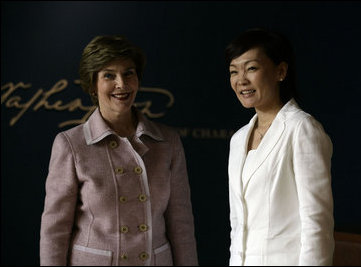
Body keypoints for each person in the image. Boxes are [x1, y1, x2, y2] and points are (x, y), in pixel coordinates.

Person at [40, 35, 198, 266]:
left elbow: (181, 224)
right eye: (108, 76)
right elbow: (55, 230)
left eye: (128, 73)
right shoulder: (70, 144)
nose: (121, 84)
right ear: (93, 84)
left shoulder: (167, 141)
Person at [225, 28, 334, 266]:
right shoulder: (238, 139)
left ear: (280, 71)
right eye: (234, 71)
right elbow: (238, 224)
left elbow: (317, 222)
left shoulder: (302, 129)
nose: (241, 80)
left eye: (251, 68)